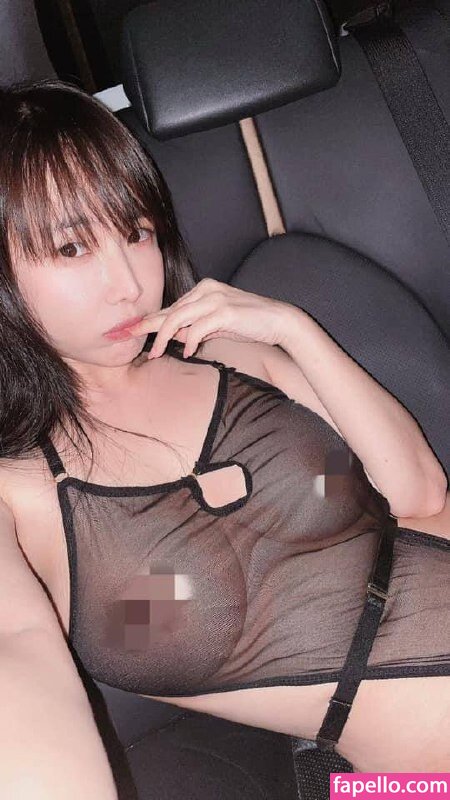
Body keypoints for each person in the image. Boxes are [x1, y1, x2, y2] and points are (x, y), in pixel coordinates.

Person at [0, 78, 448, 797]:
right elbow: (15, 651)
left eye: (136, 232)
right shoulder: (16, 489)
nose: (128, 283)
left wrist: (293, 329)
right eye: (72, 247)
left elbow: (420, 492)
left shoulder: (229, 356)